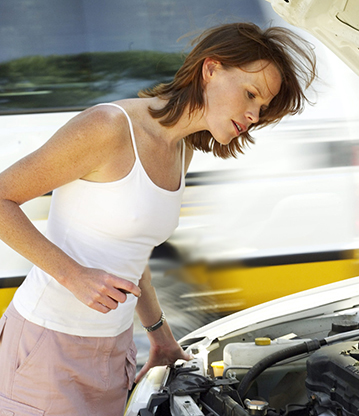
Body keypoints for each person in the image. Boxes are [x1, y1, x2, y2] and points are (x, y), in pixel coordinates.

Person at [0, 22, 316, 415]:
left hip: (114, 352)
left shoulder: (181, 151)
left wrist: (160, 335)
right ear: (211, 68)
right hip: (49, 348)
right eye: (251, 94)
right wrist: (72, 274)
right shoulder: (109, 127)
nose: (253, 114)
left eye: (262, 108)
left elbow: (133, 253)